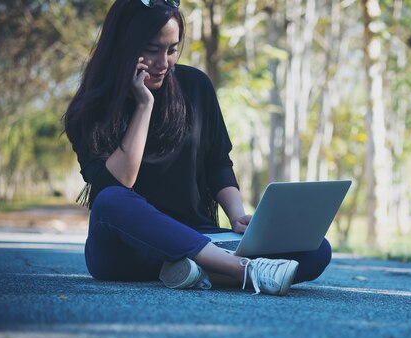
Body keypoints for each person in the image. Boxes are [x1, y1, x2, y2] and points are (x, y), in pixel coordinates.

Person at [63, 0, 332, 296]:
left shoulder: (196, 86)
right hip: (126, 251)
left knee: (316, 248)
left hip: (200, 238)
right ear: (123, 45)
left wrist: (237, 216)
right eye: (151, 50)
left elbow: (218, 163)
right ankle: (244, 271)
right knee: (111, 200)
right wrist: (143, 105)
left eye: (172, 49)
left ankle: (195, 272)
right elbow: (117, 184)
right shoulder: (90, 108)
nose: (163, 63)